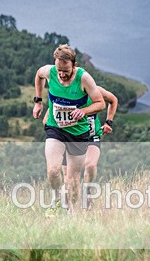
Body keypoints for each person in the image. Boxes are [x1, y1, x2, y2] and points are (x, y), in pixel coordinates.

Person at [33, 44, 104, 215]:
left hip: (78, 133)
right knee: (53, 170)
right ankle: (57, 201)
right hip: (55, 128)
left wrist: (84, 111)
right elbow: (38, 75)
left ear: (74, 65)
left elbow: (100, 103)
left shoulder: (84, 78)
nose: (62, 74)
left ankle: (71, 211)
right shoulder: (50, 72)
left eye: (66, 71)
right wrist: (38, 101)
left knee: (72, 179)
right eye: (59, 70)